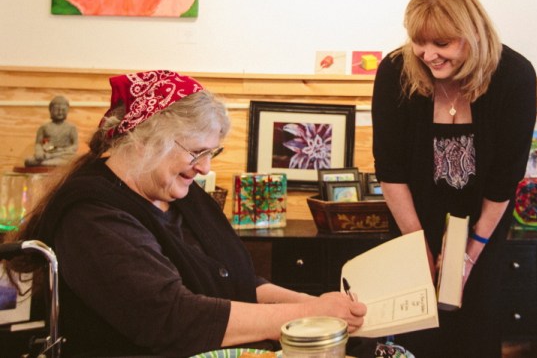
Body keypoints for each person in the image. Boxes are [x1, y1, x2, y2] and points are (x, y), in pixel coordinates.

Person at [6, 70, 365, 357]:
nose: (206, 168)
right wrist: (305, 316)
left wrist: (314, 305)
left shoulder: (182, 194)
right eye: (196, 152)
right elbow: (172, 320)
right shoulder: (91, 217)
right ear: (145, 140)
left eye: (212, 152)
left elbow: (239, 283)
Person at [371, 0, 537, 357]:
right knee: (416, 335)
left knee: (474, 331)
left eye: (442, 43)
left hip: (483, 225)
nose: (428, 54)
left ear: (472, 33)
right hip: (411, 222)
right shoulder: (396, 71)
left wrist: (472, 250)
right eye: (419, 42)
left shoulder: (514, 76)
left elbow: (504, 179)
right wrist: (417, 247)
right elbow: (391, 170)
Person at [24, 95, 78, 168]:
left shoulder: (71, 127)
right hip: (48, 153)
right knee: (29, 161)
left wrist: (65, 150)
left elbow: (75, 145)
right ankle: (49, 162)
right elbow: (38, 144)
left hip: (63, 154)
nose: (60, 112)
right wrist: (39, 152)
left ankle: (48, 163)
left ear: (67, 111)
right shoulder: (44, 127)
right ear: (50, 110)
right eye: (56, 110)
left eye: (63, 110)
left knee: (74, 159)